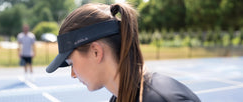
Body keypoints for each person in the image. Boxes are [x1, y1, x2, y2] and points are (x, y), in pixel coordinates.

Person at [45, 3, 200, 102]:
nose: (73, 74)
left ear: (96, 52)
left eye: (71, 63)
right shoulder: (120, 98)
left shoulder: (164, 99)